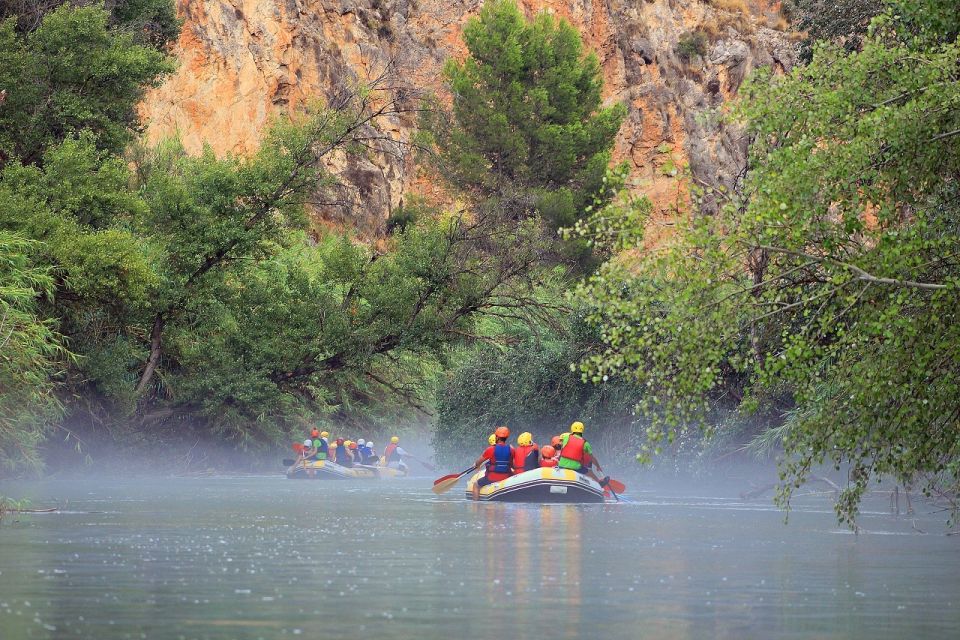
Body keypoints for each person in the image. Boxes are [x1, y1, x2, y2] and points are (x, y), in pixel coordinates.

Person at [558, 421, 608, 486]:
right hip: (575, 468)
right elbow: (592, 458)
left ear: (572, 428)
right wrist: (598, 466)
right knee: (588, 471)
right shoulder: (586, 443)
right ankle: (599, 483)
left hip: (561, 465)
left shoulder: (565, 437)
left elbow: (561, 444)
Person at [471, 426, 514, 500]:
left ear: (497, 437)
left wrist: (476, 464)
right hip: (506, 477)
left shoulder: (491, 449)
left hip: (492, 478)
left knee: (476, 485)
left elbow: (479, 461)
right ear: (506, 437)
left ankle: (475, 506)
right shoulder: (511, 449)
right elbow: (511, 464)